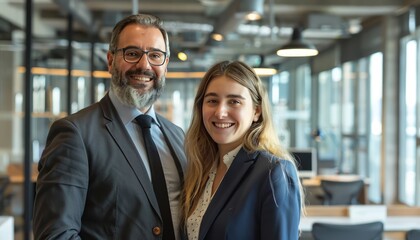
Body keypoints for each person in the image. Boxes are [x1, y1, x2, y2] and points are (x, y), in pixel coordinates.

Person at [33, 14, 186, 240]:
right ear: (111, 60)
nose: (144, 65)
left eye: (155, 55)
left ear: (166, 65)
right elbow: (56, 235)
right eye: (132, 53)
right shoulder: (75, 134)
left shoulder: (177, 135)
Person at [181, 60, 304, 240]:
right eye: (212, 101)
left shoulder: (274, 172)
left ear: (256, 111)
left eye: (234, 101)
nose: (220, 112)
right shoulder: (200, 169)